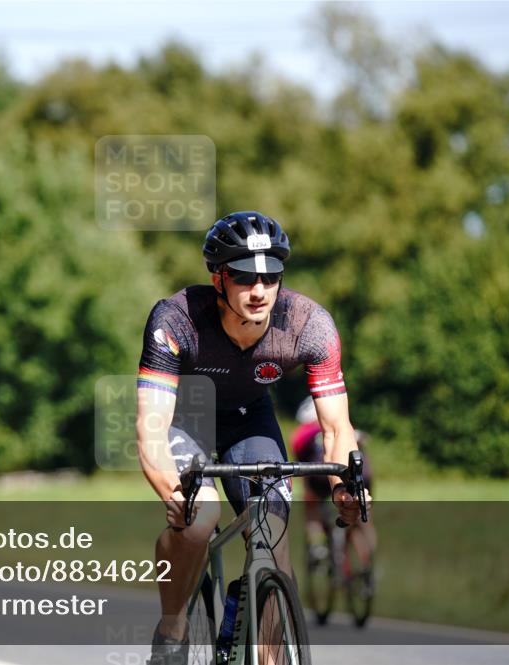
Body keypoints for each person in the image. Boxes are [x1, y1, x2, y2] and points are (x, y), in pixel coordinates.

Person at [136, 211, 372, 664]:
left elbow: (336, 427)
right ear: (218, 277)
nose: (259, 291)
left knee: (274, 536)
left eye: (270, 277)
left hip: (251, 420)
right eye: (244, 277)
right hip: (187, 418)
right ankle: (172, 627)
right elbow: (151, 424)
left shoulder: (309, 325)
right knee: (199, 518)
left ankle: (267, 655)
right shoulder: (176, 320)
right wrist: (173, 492)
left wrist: (344, 485)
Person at [291, 397, 376, 565]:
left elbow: (301, 467)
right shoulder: (345, 427)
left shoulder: (302, 433)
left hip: (318, 475)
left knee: (312, 506)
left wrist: (308, 493)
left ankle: (316, 545)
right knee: (362, 516)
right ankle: (369, 564)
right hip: (361, 474)